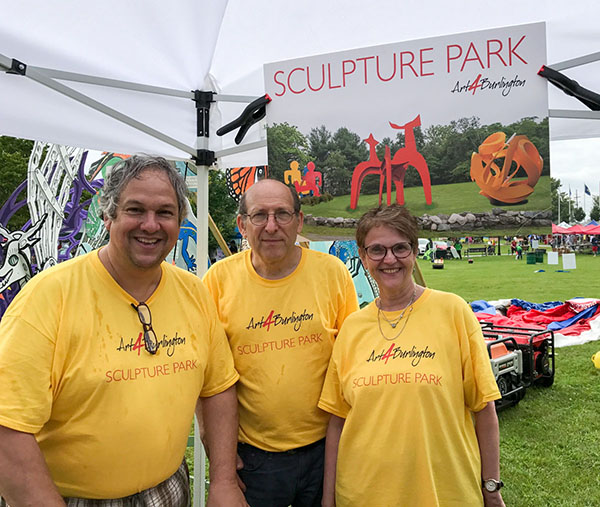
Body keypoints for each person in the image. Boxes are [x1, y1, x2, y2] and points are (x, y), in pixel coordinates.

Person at [0, 155, 246, 506]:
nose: (150, 225)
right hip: (69, 499)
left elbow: (217, 389)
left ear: (179, 221)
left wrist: (223, 480)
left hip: (169, 490)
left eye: (164, 212)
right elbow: (7, 427)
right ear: (107, 214)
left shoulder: (194, 292)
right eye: (135, 210)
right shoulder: (48, 296)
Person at [319, 204, 504, 507]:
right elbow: (337, 421)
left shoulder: (454, 312)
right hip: (363, 494)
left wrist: (491, 487)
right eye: (376, 250)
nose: (389, 259)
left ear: (415, 251)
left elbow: (484, 409)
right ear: (364, 258)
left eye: (400, 248)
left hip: (445, 492)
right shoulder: (352, 327)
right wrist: (328, 499)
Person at [203, 179, 359, 507]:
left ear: (299, 221)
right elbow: (206, 377)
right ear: (242, 225)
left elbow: (353, 365)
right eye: (260, 215)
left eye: (282, 214)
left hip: (326, 451)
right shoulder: (217, 280)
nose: (271, 226)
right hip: (254, 459)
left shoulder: (333, 273)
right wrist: (219, 457)